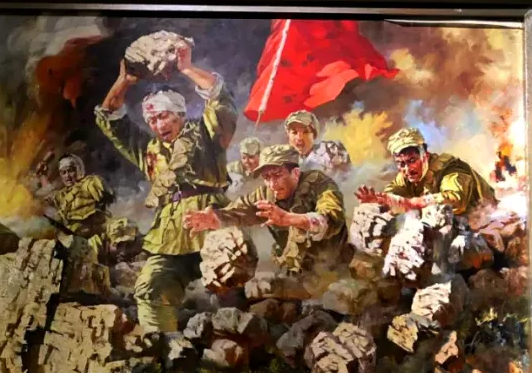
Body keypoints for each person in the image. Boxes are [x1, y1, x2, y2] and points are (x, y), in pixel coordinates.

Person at [95, 37, 237, 333]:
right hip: (169, 232)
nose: (158, 125)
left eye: (164, 116)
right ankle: (165, 346)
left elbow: (220, 97)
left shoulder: (206, 134)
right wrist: (124, 81)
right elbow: (109, 118)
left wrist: (186, 68)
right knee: (150, 289)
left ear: (180, 114)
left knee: (229, 289)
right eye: (152, 120)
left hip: (212, 221)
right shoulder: (149, 149)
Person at [184, 144, 347, 276]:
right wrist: (216, 217)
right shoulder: (266, 193)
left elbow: (332, 218)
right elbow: (240, 210)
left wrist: (289, 219)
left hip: (334, 266)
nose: (272, 184)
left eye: (277, 175)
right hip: (297, 271)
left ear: (296, 173)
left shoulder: (319, 183)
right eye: (267, 177)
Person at [356, 127, 496, 216]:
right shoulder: (406, 175)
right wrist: (381, 200)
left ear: (426, 156)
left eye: (412, 160)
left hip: (487, 222)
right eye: (401, 163)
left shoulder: (451, 169)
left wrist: (412, 203)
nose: (407, 169)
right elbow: (395, 191)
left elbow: (455, 200)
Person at [284, 110, 350, 178]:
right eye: (294, 132)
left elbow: (349, 175)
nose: (299, 137)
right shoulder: (284, 161)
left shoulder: (329, 150)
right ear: (288, 136)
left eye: (305, 132)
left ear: (314, 135)